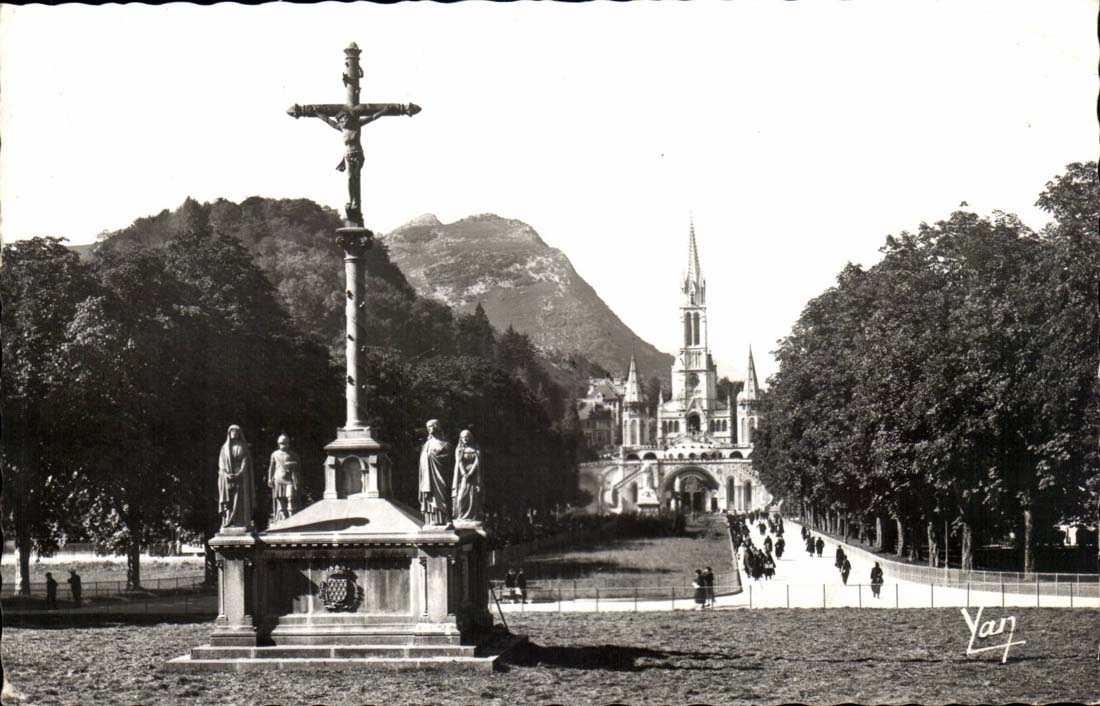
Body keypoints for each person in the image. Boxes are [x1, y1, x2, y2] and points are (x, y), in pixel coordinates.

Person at [218, 425, 254, 530]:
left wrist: (240, 472)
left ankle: (241, 521)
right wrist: (226, 473)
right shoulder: (224, 448)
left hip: (241, 477)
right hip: (227, 476)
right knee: (229, 498)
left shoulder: (243, 446)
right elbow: (221, 463)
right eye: (232, 432)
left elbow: (245, 461)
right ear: (229, 433)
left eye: (237, 432)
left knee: (241, 498)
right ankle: (228, 520)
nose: (234, 434)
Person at [419, 420, 452, 526]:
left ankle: (445, 519)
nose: (429, 429)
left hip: (439, 474)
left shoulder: (445, 444)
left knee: (442, 494)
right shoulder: (427, 444)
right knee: (430, 495)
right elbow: (422, 460)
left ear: (437, 427)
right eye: (427, 427)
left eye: (431, 426)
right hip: (428, 475)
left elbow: (449, 459)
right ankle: (432, 519)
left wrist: (434, 456)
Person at [268, 434, 301, 522]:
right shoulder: (274, 454)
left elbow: (299, 465)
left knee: (290, 497)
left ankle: (292, 518)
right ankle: (283, 519)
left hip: (289, 480)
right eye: (282, 443)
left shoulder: (292, 454)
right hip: (278, 479)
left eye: (285, 443)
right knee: (280, 499)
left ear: (288, 444)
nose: (284, 445)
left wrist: (291, 464)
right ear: (278, 444)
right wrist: (269, 478)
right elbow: (271, 467)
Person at [451, 430, 482, 522]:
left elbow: (477, 462)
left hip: (474, 477)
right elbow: (459, 462)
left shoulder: (476, 449)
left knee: (473, 496)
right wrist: (464, 473)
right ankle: (461, 516)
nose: (465, 439)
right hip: (463, 477)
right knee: (461, 497)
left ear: (470, 437)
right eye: (463, 437)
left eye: (467, 437)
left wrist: (470, 473)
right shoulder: (459, 449)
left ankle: (472, 517)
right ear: (461, 438)